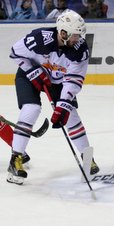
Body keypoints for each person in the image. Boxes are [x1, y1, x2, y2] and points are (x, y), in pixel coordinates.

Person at [8, 10, 99, 185]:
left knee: (70, 114)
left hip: (57, 82)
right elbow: (15, 52)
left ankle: (87, 158)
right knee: (31, 109)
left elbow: (74, 80)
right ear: (63, 33)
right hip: (28, 74)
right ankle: (16, 159)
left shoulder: (80, 50)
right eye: (75, 35)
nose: (78, 39)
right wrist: (33, 71)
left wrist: (63, 105)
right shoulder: (40, 38)